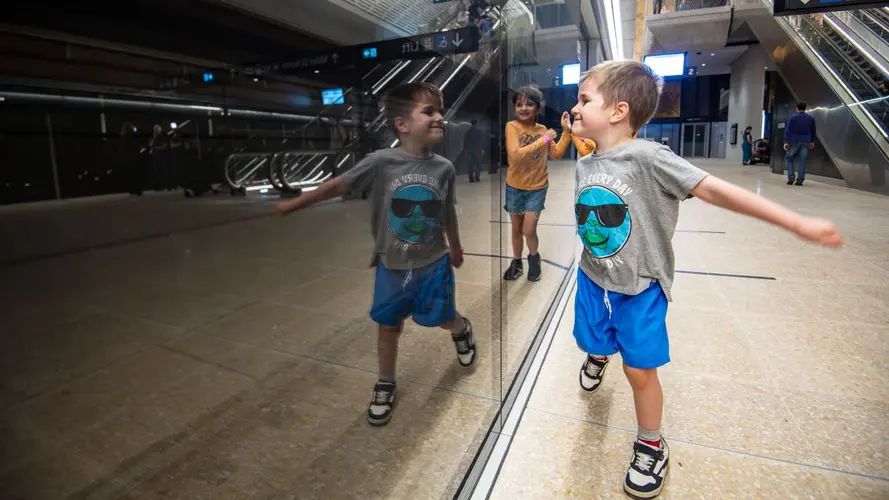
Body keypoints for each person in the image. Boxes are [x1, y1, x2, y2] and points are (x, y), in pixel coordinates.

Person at [568, 60, 843, 499]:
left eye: (584, 99)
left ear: (618, 111)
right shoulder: (586, 160)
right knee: (594, 343)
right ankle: (599, 354)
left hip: (639, 289)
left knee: (639, 371)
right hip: (593, 279)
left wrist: (793, 221)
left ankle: (651, 443)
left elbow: (714, 189)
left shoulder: (650, 157)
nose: (574, 108)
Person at [273, 82, 477, 427]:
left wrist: (454, 245)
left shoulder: (444, 168)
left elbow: (447, 212)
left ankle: (460, 329)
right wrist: (297, 202)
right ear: (402, 124)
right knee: (388, 325)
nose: (440, 117)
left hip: (433, 263)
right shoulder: (382, 162)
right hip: (392, 266)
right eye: (429, 111)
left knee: (440, 316)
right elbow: (339, 184)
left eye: (440, 111)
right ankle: (385, 380)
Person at [503, 86, 587, 282]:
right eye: (519, 104)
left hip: (537, 187)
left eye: (529, 104)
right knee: (516, 229)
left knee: (528, 229)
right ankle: (517, 262)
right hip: (514, 186)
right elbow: (515, 157)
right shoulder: (512, 127)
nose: (523, 108)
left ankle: (534, 258)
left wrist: (566, 132)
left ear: (537, 108)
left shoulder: (542, 130)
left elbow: (556, 154)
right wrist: (544, 140)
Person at [784, 102, 816, 186]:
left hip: (793, 141)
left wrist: (786, 142)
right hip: (806, 141)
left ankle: (791, 177)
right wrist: (812, 141)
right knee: (802, 161)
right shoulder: (810, 118)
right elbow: (813, 131)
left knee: (789, 158)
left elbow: (788, 130)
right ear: (805, 109)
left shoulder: (793, 118)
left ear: (797, 108)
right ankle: (800, 180)